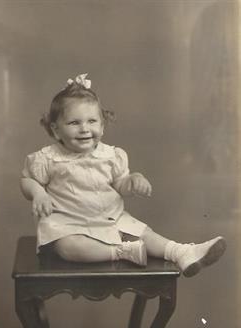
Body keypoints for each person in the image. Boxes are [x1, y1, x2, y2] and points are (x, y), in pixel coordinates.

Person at [20, 73, 226, 277]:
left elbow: (120, 184)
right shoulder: (48, 158)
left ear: (102, 126)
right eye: (74, 123)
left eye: (92, 121)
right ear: (56, 130)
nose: (84, 129)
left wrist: (133, 180)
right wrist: (38, 193)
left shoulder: (111, 155)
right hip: (68, 223)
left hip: (110, 218)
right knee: (67, 247)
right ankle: (121, 252)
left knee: (144, 233)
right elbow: (27, 179)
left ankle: (182, 252)